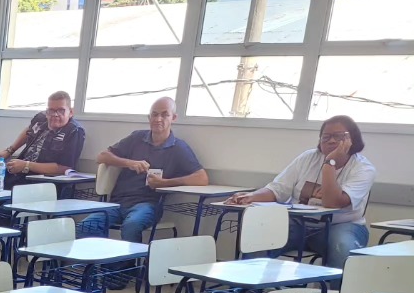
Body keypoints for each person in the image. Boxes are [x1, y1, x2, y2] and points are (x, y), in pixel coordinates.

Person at [229, 115, 376, 269]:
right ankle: (247, 283)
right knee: (259, 238)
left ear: (352, 140)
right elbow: (278, 189)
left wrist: (329, 163)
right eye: (326, 137)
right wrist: (251, 196)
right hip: (298, 223)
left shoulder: (363, 169)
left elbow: (332, 203)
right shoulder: (307, 158)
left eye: (339, 136)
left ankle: (335, 286)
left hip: (341, 226)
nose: (331, 141)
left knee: (343, 247)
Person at [83, 98, 208, 242]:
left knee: (131, 225)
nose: (158, 119)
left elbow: (202, 178)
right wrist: (129, 163)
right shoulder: (137, 138)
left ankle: (130, 258)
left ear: (173, 118)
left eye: (164, 115)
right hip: (117, 203)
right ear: (149, 118)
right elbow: (102, 156)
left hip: (148, 205)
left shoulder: (178, 147)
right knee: (86, 226)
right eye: (154, 114)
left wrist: (164, 183)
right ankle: (100, 255)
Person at [0, 91, 86, 225]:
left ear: (70, 112)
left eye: (61, 110)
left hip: (39, 186)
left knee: (6, 207)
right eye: (51, 111)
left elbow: (64, 167)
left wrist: (26, 165)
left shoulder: (74, 131)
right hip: (14, 177)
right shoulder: (41, 118)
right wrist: (10, 150)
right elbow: (28, 131)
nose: (55, 115)